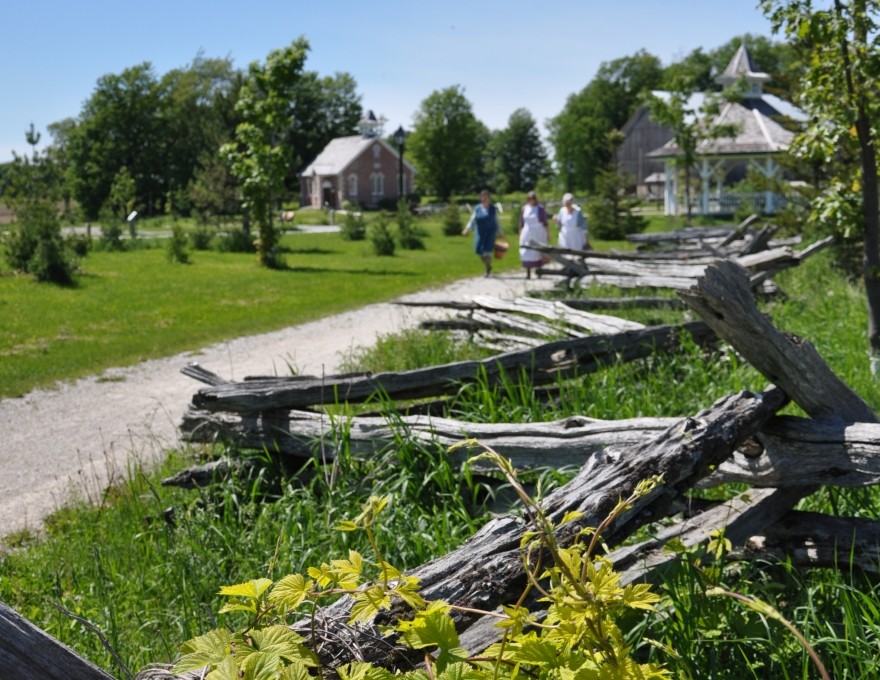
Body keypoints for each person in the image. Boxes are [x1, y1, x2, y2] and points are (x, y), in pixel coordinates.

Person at [462, 189, 503, 277]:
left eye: (486, 197)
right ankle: (488, 266)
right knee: (479, 250)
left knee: (487, 252)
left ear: (489, 198)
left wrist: (500, 232)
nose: (484, 199)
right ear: (481, 198)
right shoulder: (477, 208)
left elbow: (497, 221)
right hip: (480, 233)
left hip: (490, 233)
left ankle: (487, 270)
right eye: (483, 197)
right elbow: (472, 220)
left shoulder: (493, 209)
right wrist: (467, 229)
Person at [518, 191, 548, 279]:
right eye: (530, 199)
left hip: (538, 231)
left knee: (538, 251)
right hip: (527, 231)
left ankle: (539, 271)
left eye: (533, 199)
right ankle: (528, 273)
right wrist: (520, 230)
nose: (532, 201)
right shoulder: (524, 208)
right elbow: (521, 221)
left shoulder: (540, 208)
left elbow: (544, 221)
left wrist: (547, 232)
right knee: (527, 251)